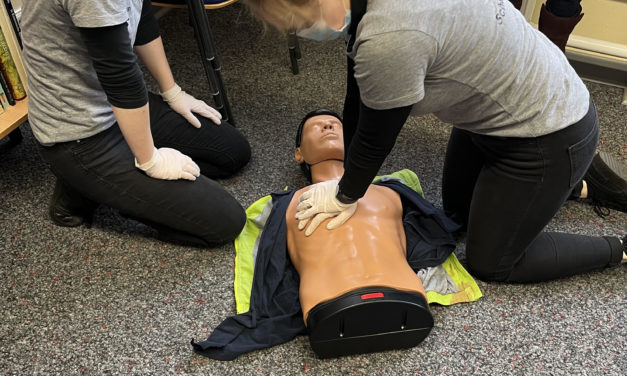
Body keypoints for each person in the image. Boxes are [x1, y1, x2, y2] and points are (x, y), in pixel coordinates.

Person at [243, 0, 626, 282]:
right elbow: (359, 92)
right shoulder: (364, 15)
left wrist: (346, 194)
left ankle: (618, 247)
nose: (306, 33)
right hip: (494, 119)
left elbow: (377, 136)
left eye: (301, 23)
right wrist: (347, 184)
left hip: (549, 133)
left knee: (492, 262)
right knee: (454, 219)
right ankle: (576, 187)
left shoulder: (388, 38)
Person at [192, 110, 482, 360]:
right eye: (316, 126)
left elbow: (431, 231)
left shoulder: (391, 190)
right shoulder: (287, 203)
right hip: (329, 307)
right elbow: (272, 264)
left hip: (405, 299)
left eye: (336, 124)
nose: (329, 126)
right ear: (299, 154)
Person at [20, 0, 251, 246]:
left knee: (232, 151)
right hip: (78, 135)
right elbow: (119, 76)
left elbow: (141, 17)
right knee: (226, 222)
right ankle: (80, 190)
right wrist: (150, 159)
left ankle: (114, 185)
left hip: (115, 105)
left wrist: (173, 92)